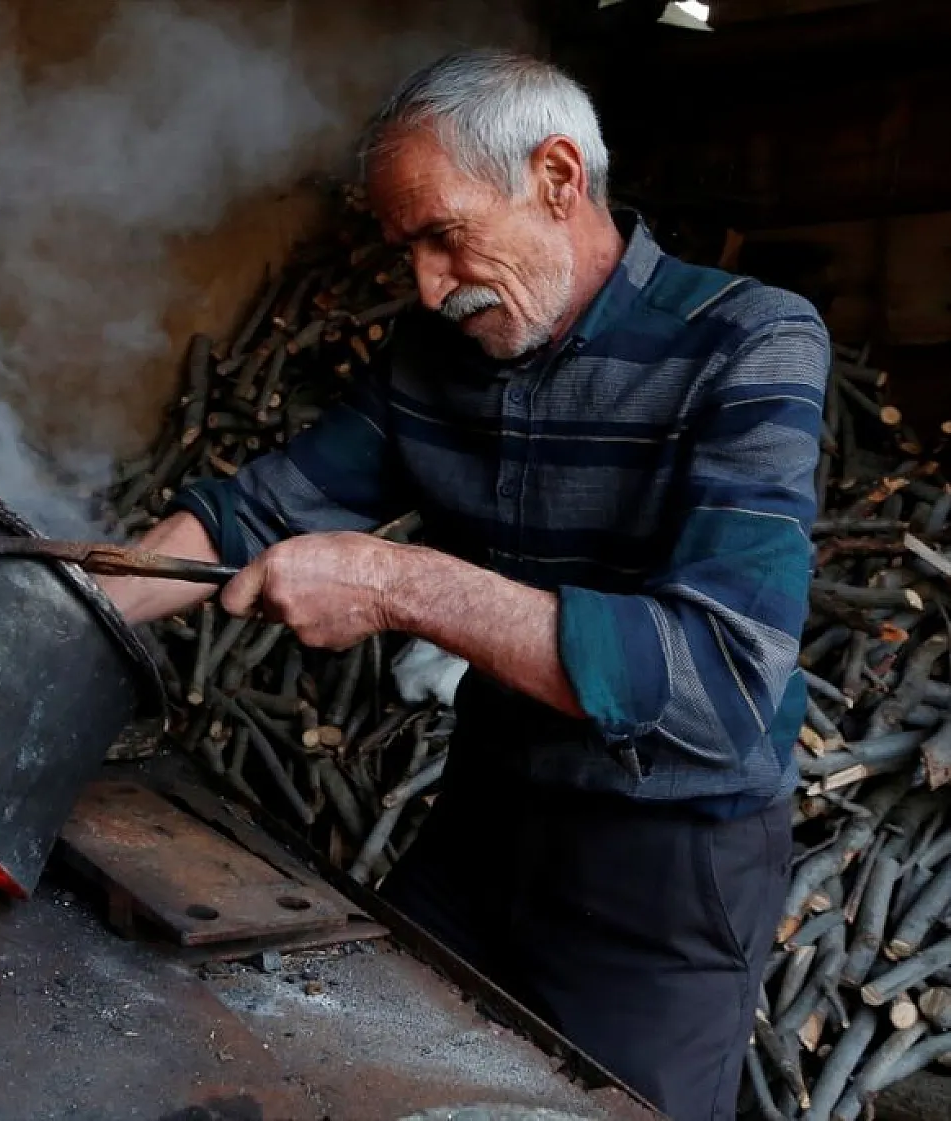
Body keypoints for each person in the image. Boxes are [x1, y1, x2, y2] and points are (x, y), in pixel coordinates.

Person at [98, 48, 828, 1121]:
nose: (428, 288)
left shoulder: (747, 341)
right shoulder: (430, 356)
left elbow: (716, 686)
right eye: (407, 252)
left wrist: (398, 582)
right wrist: (67, 614)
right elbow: (251, 511)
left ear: (556, 178)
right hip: (483, 815)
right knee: (353, 1081)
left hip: (666, 856)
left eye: (444, 236)